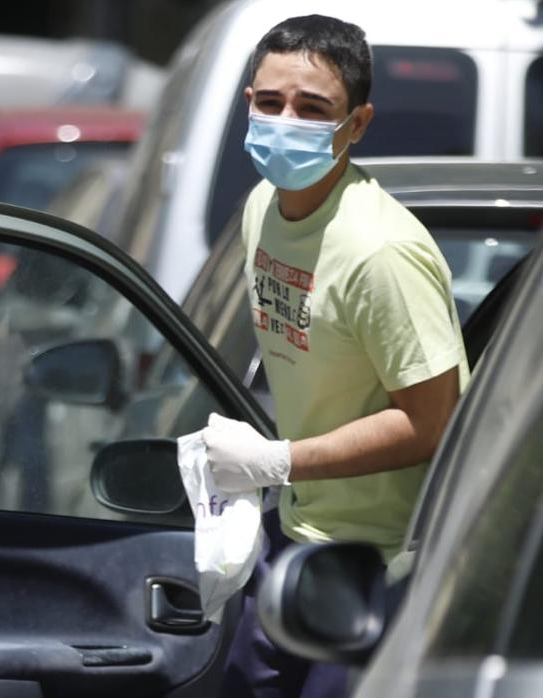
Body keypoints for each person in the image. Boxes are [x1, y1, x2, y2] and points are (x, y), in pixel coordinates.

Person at [201, 14, 469, 698]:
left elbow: (432, 423)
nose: (285, 120)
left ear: (357, 124)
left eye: (313, 108)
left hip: (375, 565)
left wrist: (276, 459)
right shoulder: (264, 205)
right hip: (290, 532)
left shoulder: (381, 253)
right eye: (270, 102)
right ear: (248, 104)